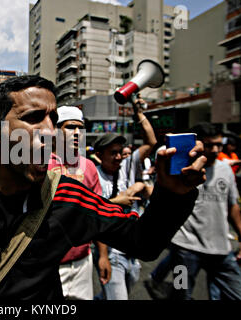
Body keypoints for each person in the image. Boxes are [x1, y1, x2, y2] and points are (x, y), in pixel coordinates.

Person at [0, 75, 206, 300]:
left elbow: (144, 241)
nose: (48, 132)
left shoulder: (69, 196)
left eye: (53, 120)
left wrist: (173, 194)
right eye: (33, 118)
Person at [147, 123, 241, 300]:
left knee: (237, 295)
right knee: (180, 293)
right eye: (209, 145)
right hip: (184, 248)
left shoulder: (226, 170)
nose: (215, 149)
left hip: (221, 250)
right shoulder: (182, 169)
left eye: (219, 145)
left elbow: (233, 205)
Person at [93, 96, 158, 300]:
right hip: (111, 253)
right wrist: (102, 255)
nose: (119, 157)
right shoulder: (93, 175)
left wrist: (138, 113)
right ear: (99, 155)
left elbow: (151, 142)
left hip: (132, 251)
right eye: (113, 153)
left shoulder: (128, 166)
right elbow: (93, 216)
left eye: (121, 152)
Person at [47, 106, 104, 300]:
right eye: (71, 127)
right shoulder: (40, 164)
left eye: (81, 128)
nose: (77, 133)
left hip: (82, 262)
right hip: (49, 264)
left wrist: (102, 255)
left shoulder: (88, 167)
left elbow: (98, 214)